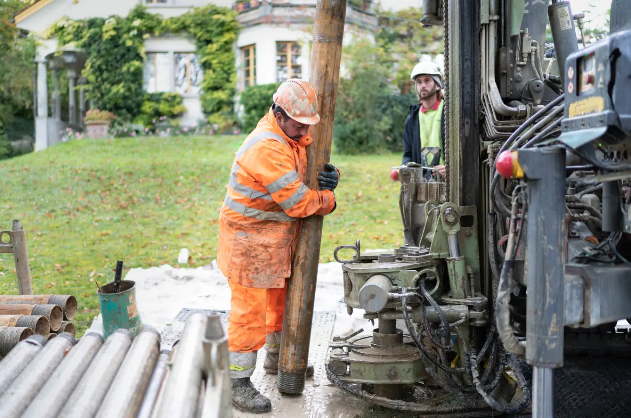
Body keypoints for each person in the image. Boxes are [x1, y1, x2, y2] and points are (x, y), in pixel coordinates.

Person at [217, 79, 340, 413]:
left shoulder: (289, 135)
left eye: (307, 126)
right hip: (247, 243)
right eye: (299, 125)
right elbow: (298, 203)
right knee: (249, 315)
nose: (304, 133)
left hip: (270, 241)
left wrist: (329, 175)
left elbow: (302, 163)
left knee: (279, 302)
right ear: (280, 114)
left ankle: (276, 358)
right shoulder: (266, 147)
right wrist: (326, 198)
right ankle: (238, 383)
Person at [401, 61, 446, 179]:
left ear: (437, 85)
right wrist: (404, 168)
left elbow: (463, 149)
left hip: (448, 182)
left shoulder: (449, 112)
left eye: (427, 80)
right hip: (421, 183)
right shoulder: (411, 119)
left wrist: (450, 168)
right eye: (419, 82)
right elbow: (408, 154)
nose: (422, 85)